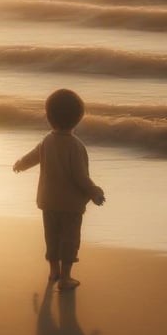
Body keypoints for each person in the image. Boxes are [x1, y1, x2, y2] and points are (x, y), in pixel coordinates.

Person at [13, 89, 104, 289]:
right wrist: (95, 191)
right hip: (70, 205)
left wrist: (20, 164)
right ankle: (65, 278)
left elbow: (33, 157)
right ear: (78, 118)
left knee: (51, 237)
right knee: (69, 239)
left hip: (48, 201)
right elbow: (80, 177)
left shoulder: (47, 141)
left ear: (48, 116)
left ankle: (53, 271)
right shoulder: (75, 145)